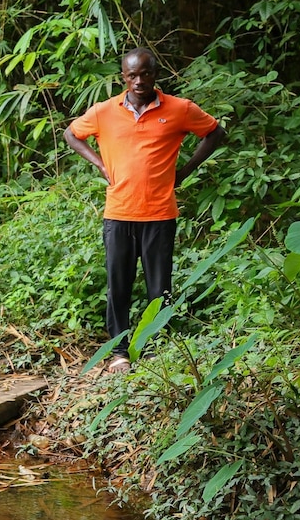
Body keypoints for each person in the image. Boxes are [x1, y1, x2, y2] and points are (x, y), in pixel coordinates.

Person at [64, 48, 225, 374]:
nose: (139, 81)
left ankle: (155, 348)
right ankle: (120, 352)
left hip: (160, 215)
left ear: (155, 73)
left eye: (145, 74)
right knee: (118, 285)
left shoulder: (180, 109)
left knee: (159, 288)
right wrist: (99, 164)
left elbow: (216, 133)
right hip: (119, 214)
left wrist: (184, 172)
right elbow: (71, 134)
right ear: (123, 76)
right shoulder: (103, 111)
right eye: (132, 75)